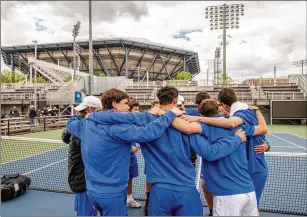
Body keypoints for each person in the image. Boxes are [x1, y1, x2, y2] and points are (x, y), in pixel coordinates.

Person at [87, 86, 247, 216]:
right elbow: (211, 153)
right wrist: (237, 139)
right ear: (175, 100)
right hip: (185, 190)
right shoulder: (186, 124)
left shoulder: (145, 121)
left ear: (159, 100)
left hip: (159, 192)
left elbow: (117, 121)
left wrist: (92, 117)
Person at [66, 88, 183, 216]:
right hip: (113, 194)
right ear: (115, 104)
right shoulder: (118, 128)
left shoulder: (84, 125)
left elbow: (70, 122)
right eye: (126, 103)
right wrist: (169, 115)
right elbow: (149, 132)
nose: (128, 107)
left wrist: (94, 115)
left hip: (92, 192)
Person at [171, 99, 268, 216]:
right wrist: (257, 112)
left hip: (227, 194)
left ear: (200, 112)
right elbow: (262, 129)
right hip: (248, 191)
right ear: (219, 110)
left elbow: (187, 129)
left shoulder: (203, 129)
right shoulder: (240, 128)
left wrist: (166, 114)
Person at [62, 95, 102, 216]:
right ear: (90, 109)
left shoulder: (76, 122)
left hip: (81, 174)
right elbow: (89, 145)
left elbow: (65, 137)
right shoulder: (82, 125)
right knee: (87, 209)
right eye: (99, 110)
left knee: (83, 207)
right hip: (82, 175)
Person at [127, 101, 142, 208]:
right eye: (135, 109)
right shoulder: (125, 123)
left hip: (131, 157)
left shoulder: (136, 122)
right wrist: (131, 146)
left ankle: (129, 198)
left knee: (130, 177)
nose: (138, 111)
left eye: (138, 109)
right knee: (123, 178)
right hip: (122, 158)